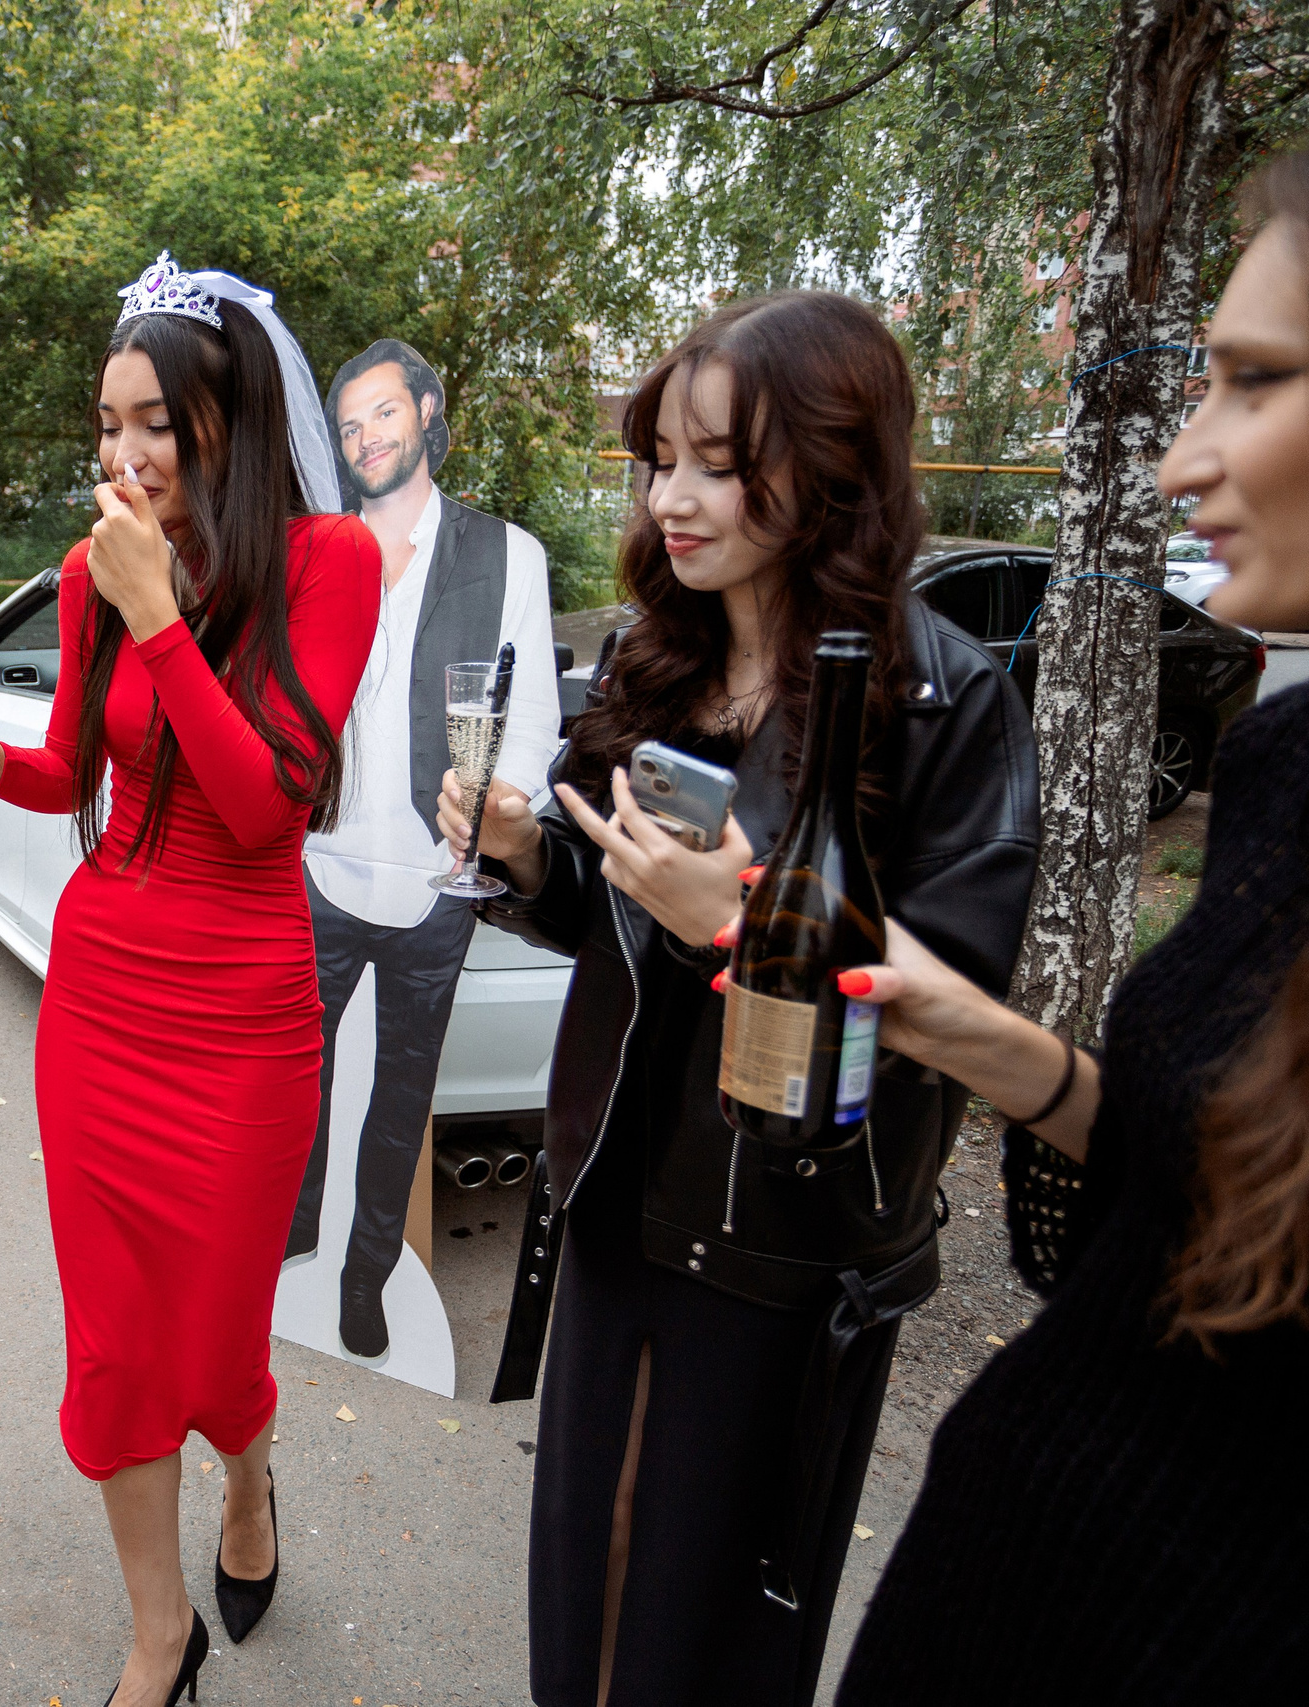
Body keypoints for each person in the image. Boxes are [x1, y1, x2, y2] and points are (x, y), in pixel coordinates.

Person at [452, 290, 1039, 1706]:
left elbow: (955, 1008)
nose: (673, 498)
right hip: (613, 1199)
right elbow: (613, 917)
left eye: (718, 462)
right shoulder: (659, 663)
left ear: (831, 461)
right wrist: (534, 849)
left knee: (696, 1641)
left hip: (786, 1238)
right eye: (662, 460)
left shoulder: (940, 700)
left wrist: (748, 924)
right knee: (582, 1601)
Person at [834, 148, 1309, 1705]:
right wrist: (978, 1035)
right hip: (1024, 1585)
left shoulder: (945, 684)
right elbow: (1213, 1180)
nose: (1181, 461)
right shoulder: (1289, 766)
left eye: (1255, 382)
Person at [0, 253, 380, 1706]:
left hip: (244, 1024)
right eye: (109, 422)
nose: (124, 452)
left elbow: (266, 804)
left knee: (220, 1341)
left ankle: (250, 1478)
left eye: (154, 420)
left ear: (227, 419)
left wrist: (160, 612)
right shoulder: (92, 564)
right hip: (101, 1006)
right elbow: (78, 767)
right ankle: (159, 1632)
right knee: (113, 1345)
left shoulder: (326, 565)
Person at [289, 337, 563, 1359]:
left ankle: (363, 1280)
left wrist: (499, 801)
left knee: (398, 1102)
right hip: (312, 865)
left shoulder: (507, 556)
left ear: (428, 411)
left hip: (436, 873)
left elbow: (529, 716)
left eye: (383, 414)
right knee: (298, 1088)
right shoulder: (310, 547)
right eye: (349, 424)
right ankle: (287, 1257)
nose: (366, 437)